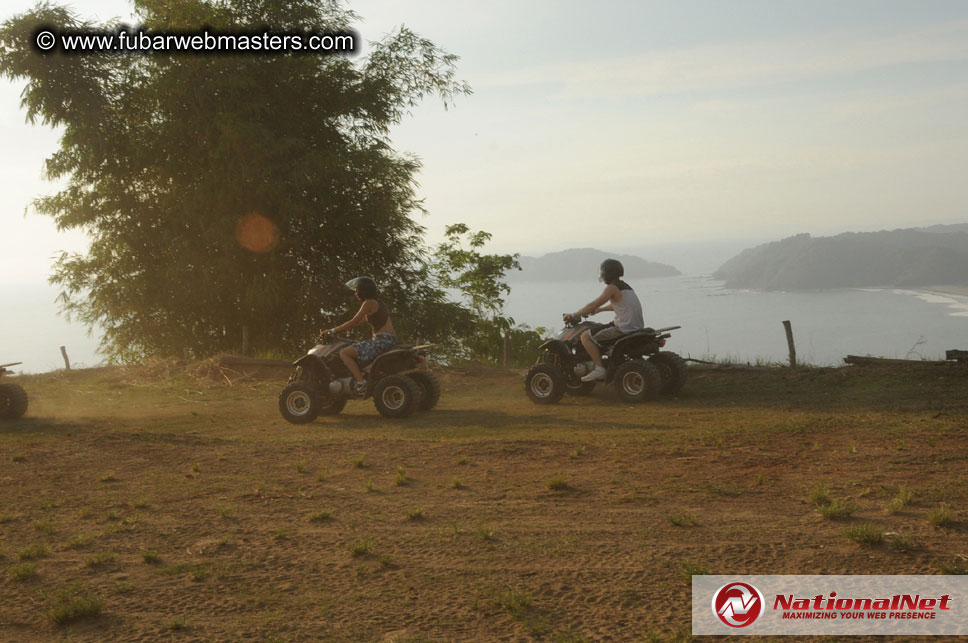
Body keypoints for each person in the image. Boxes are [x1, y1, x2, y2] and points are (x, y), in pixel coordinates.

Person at [566, 259, 645, 382]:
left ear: (607, 274)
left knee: (585, 336)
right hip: (636, 327)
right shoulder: (627, 287)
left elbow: (593, 304)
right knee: (599, 331)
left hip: (622, 328)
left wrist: (573, 314)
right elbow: (620, 305)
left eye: (603, 272)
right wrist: (600, 310)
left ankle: (599, 368)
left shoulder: (611, 288)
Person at [323, 277, 396, 394]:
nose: (355, 293)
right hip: (389, 340)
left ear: (364, 291)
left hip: (381, 341)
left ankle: (361, 383)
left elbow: (353, 321)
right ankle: (363, 374)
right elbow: (360, 322)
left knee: (344, 352)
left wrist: (332, 331)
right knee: (355, 346)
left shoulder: (368, 303)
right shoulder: (379, 303)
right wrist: (344, 329)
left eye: (357, 290)